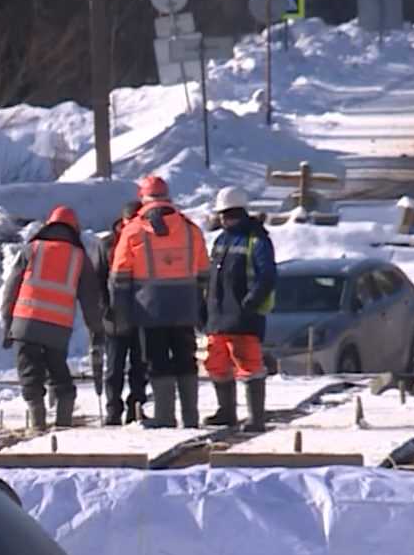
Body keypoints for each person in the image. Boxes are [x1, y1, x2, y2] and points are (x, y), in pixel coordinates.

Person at [110, 175, 209, 428]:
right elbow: (204, 272)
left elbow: (119, 275)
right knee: (186, 358)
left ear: (143, 199)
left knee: (157, 360)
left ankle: (165, 416)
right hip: (185, 305)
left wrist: (121, 312)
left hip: (149, 308)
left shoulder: (133, 230)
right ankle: (191, 416)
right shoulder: (190, 229)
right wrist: (200, 304)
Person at [0, 205, 105, 431]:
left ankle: (37, 425)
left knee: (29, 372)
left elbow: (11, 289)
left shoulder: (32, 249)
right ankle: (63, 423)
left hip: (25, 324)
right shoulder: (79, 257)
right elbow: (89, 299)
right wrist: (96, 329)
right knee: (58, 372)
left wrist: (7, 323)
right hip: (57, 329)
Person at [202, 187, 277, 431]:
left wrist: (251, 302)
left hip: (243, 317)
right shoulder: (221, 240)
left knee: (250, 364)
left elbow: (267, 276)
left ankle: (256, 417)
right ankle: (227, 412)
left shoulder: (257, 239)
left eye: (226, 214)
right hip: (219, 315)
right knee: (216, 363)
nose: (223, 219)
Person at [94, 200, 149, 425]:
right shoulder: (107, 244)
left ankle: (136, 407)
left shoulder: (148, 241)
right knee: (114, 368)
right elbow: (98, 279)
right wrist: (104, 307)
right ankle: (112, 410)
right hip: (115, 316)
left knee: (140, 366)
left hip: (142, 314)